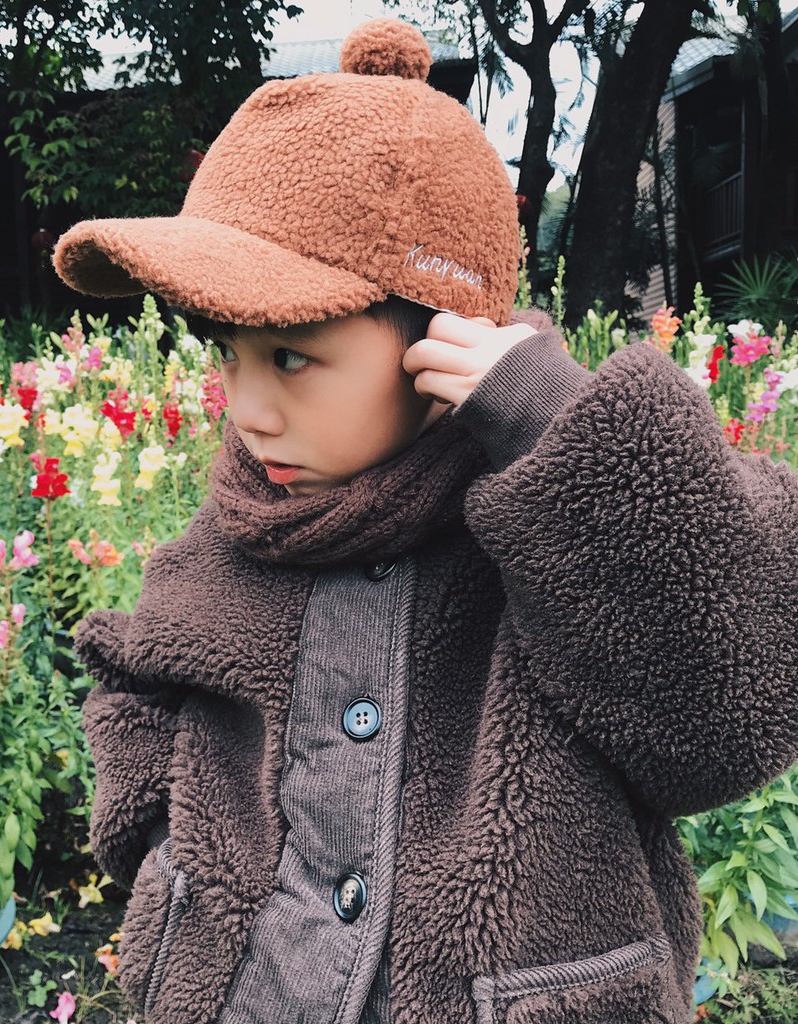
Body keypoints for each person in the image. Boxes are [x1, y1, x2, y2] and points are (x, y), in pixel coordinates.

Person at [52, 17, 798, 1024]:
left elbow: (727, 719)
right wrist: (165, 857)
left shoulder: (576, 519)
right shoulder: (235, 532)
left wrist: (555, 427)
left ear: (443, 333)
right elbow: (138, 688)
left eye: (291, 356)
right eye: (227, 351)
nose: (247, 408)